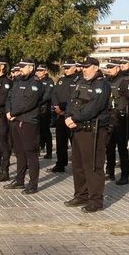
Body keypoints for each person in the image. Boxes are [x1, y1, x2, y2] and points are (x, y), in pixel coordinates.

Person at [63, 57, 112, 212]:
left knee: (93, 166)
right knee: (78, 165)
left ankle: (95, 201)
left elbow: (94, 107)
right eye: (83, 67)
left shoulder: (102, 84)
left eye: (87, 67)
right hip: (78, 129)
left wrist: (74, 118)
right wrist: (68, 117)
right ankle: (81, 195)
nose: (84, 69)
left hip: (93, 130)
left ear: (96, 68)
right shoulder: (80, 82)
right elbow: (72, 101)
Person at [3, 60, 46, 194]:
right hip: (15, 120)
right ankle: (19, 180)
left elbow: (30, 102)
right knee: (19, 152)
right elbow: (9, 97)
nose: (20, 69)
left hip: (28, 122)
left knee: (30, 154)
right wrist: (8, 111)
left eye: (23, 67)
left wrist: (13, 113)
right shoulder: (18, 81)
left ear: (31, 68)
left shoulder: (35, 82)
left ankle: (33, 184)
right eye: (20, 67)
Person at [49, 61, 77, 172]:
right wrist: (56, 107)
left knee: (75, 142)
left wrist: (63, 109)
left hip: (71, 115)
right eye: (65, 68)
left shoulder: (78, 80)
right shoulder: (61, 80)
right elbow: (54, 94)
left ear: (74, 68)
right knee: (60, 142)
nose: (66, 70)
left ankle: (77, 164)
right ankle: (60, 164)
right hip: (60, 115)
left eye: (68, 68)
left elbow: (74, 98)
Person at [35, 64, 55, 160]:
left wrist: (36, 102)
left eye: (41, 70)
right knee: (36, 131)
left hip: (44, 110)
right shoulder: (35, 80)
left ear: (45, 71)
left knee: (45, 131)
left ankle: (49, 152)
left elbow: (47, 96)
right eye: (37, 70)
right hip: (36, 109)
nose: (38, 72)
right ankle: (37, 150)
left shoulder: (49, 81)